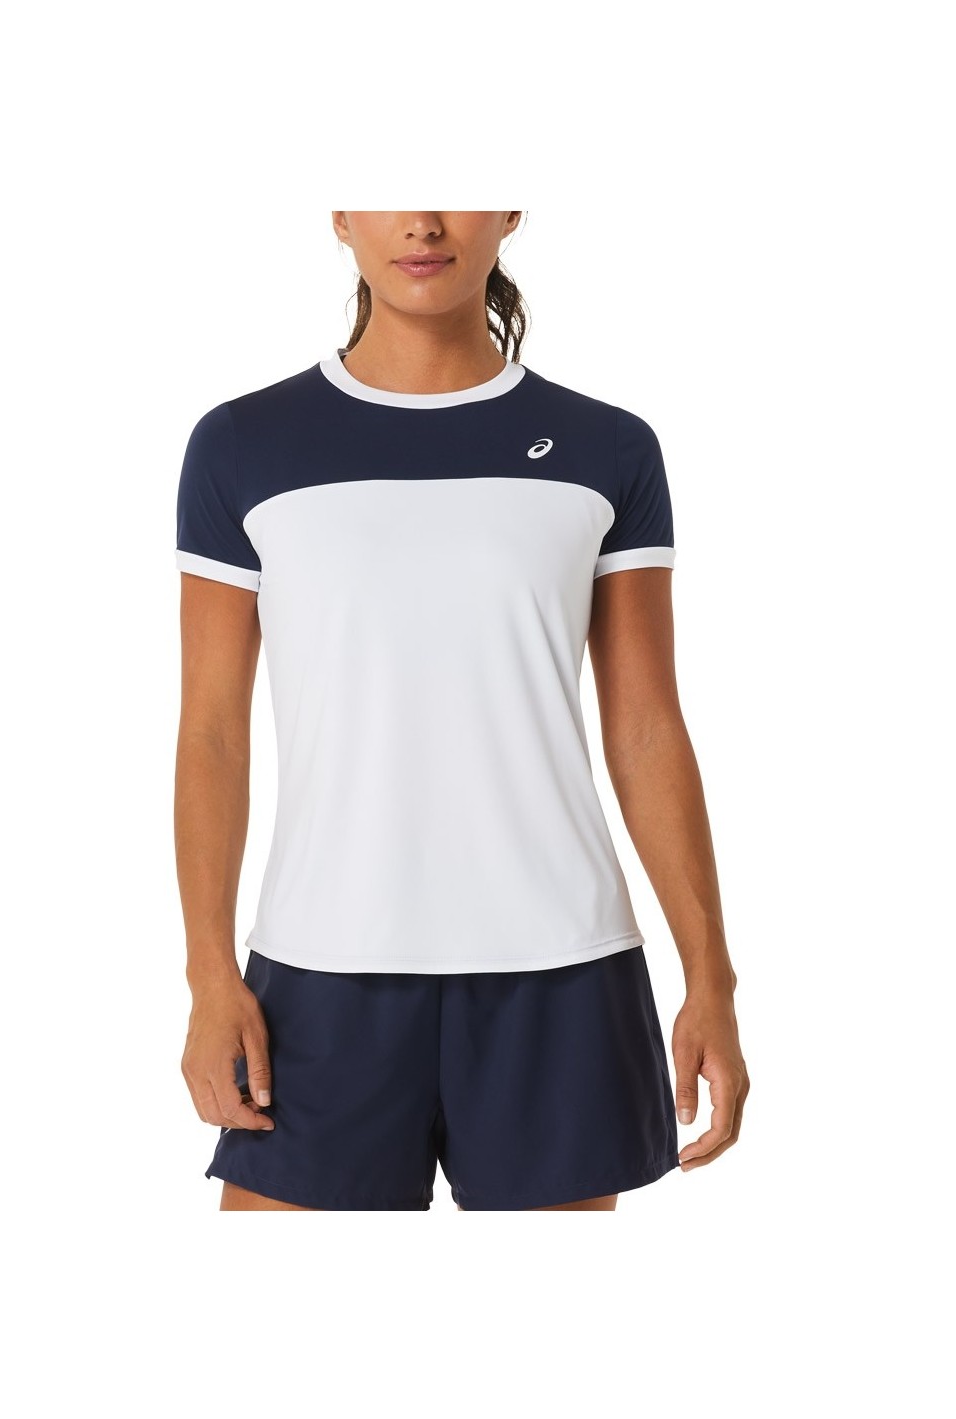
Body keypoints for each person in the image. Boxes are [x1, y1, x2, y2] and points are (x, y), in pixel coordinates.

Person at [174, 211, 749, 1212]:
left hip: (561, 970)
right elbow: (212, 734)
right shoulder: (243, 444)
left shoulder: (606, 447)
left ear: (511, 208)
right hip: (318, 971)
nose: (425, 222)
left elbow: (647, 727)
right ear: (340, 214)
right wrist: (207, 973)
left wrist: (712, 979)